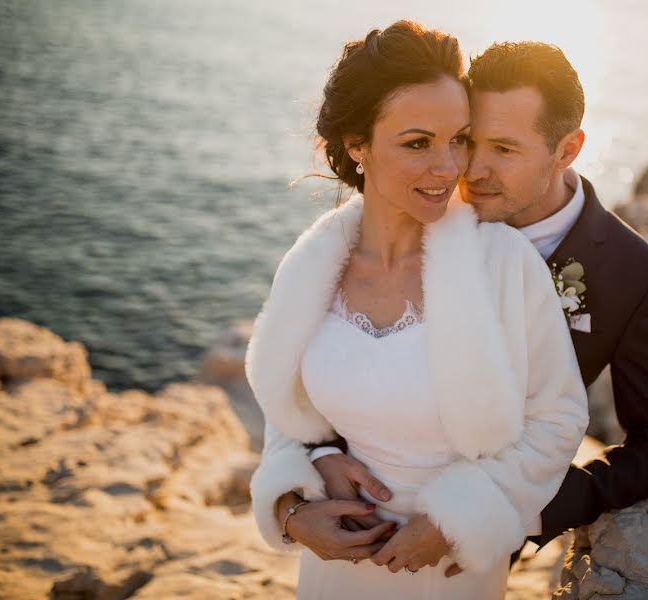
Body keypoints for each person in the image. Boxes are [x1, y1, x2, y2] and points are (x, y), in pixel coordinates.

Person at [309, 40, 648, 576]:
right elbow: (339, 345)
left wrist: (508, 513)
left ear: (568, 149)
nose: (473, 170)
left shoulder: (632, 273)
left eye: (505, 150)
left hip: (476, 550)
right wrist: (320, 458)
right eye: (471, 140)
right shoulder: (423, 203)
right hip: (360, 523)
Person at [245, 22, 589, 599]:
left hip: (451, 571)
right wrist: (293, 506)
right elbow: (285, 404)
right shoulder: (312, 264)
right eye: (417, 143)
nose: (449, 167)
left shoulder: (502, 262)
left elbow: (558, 418)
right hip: (335, 569)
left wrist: (461, 519)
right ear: (358, 145)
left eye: (459, 138)